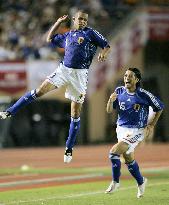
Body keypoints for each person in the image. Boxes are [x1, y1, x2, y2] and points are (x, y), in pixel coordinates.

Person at [0, 10, 110, 163]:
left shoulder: (91, 33)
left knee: (75, 112)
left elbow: (106, 45)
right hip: (63, 70)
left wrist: (104, 53)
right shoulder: (68, 35)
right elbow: (49, 38)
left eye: (85, 20)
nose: (83, 22)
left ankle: (69, 148)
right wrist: (58, 23)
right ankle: (9, 112)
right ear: (74, 19)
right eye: (80, 19)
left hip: (80, 75)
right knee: (39, 91)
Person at [105, 68, 164, 198]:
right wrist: (110, 100)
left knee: (113, 153)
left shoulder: (143, 94)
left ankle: (115, 182)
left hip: (137, 130)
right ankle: (141, 182)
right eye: (126, 75)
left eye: (130, 76)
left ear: (137, 79)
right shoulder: (119, 91)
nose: (127, 78)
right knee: (128, 158)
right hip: (121, 129)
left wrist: (152, 125)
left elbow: (160, 107)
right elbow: (109, 110)